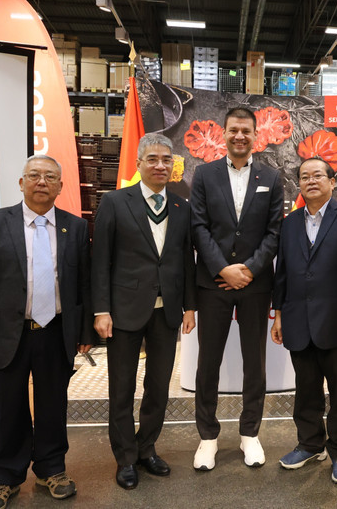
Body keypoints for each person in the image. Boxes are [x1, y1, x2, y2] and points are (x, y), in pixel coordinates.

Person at [0, 155, 93, 509]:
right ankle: (4, 477)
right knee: (8, 408)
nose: (42, 182)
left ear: (60, 186)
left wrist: (84, 332)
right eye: (34, 175)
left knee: (54, 405)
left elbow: (83, 285)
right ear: (21, 183)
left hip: (55, 332)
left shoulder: (75, 227)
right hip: (6, 334)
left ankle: (53, 469)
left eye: (50, 177)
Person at [91, 133, 197, 490]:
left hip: (166, 311)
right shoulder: (115, 202)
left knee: (158, 387)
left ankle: (146, 447)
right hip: (123, 311)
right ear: (139, 164)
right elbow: (101, 260)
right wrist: (101, 309)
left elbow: (185, 261)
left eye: (166, 160)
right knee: (121, 388)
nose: (160, 166)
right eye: (152, 159)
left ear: (173, 165)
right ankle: (124, 458)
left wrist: (189, 306)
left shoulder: (182, 206)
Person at [190, 106, 284, 470]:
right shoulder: (204, 174)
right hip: (213, 283)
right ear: (224, 133)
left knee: (254, 363)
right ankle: (207, 438)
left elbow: (274, 232)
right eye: (233, 130)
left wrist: (250, 268)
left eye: (246, 130)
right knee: (207, 362)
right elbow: (199, 227)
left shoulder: (271, 177)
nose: (240, 136)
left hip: (255, 284)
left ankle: (250, 435)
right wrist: (223, 269)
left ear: (255, 135)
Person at [271, 158, 337, 484]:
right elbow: (282, 273)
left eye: (317, 175)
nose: (311, 181)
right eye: (304, 177)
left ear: (332, 180)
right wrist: (279, 315)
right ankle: (311, 443)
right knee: (306, 389)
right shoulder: (289, 223)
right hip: (299, 320)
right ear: (298, 184)